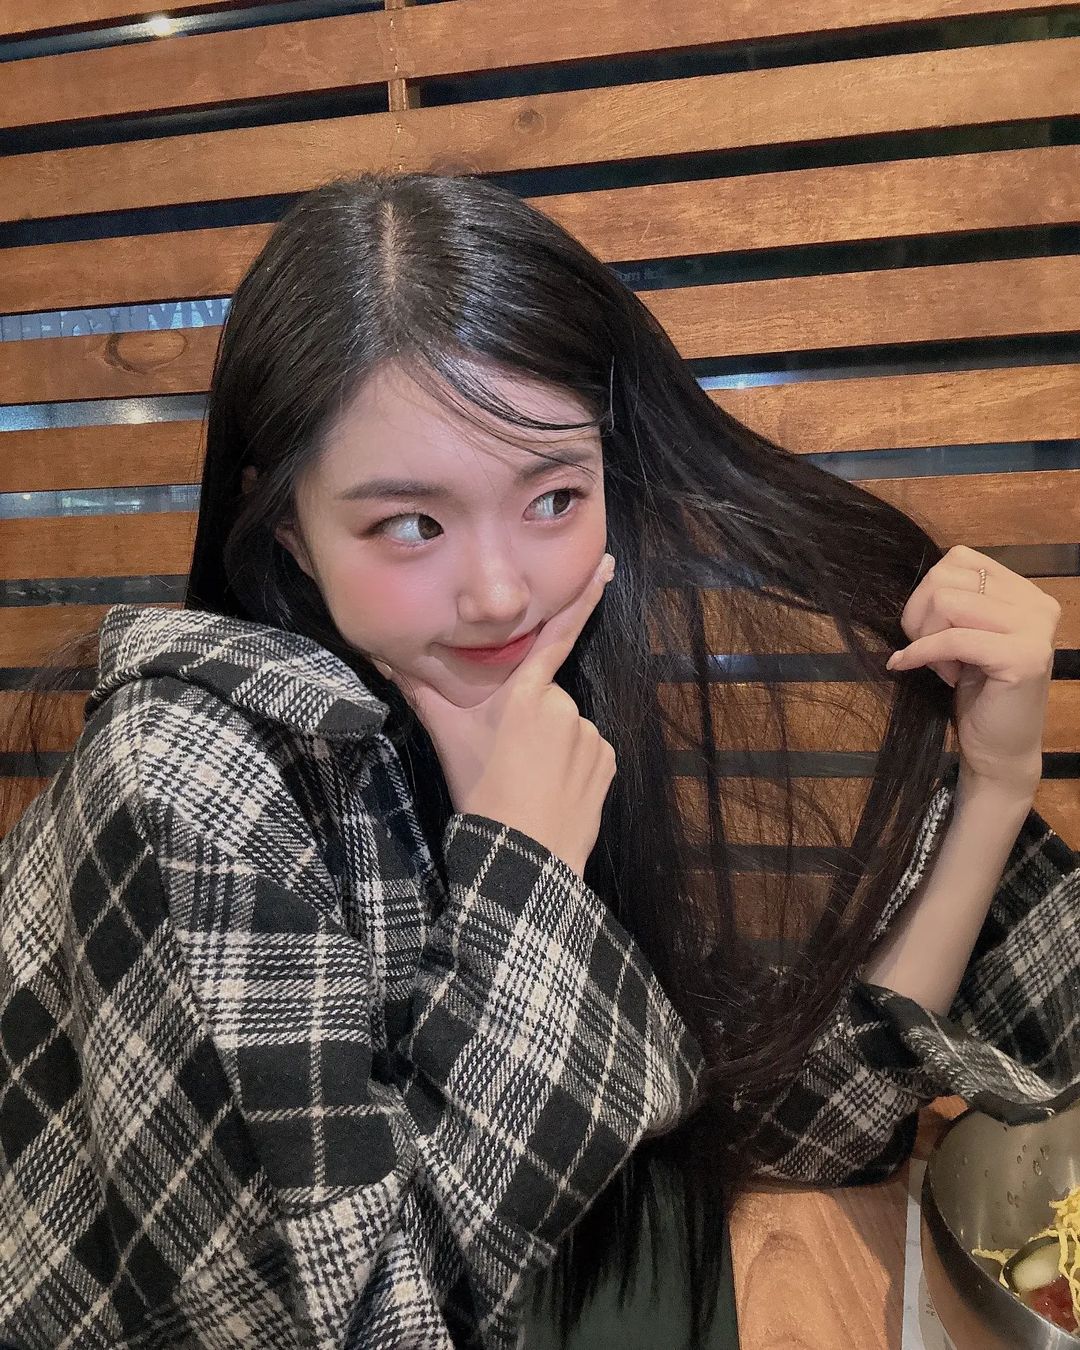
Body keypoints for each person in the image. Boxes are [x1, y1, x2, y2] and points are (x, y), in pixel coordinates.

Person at [1, 170, 1077, 1350]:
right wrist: (523, 876)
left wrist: (995, 786)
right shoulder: (185, 779)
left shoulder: (526, 709)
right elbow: (365, 1328)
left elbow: (798, 1135)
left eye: (555, 497)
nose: (500, 591)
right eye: (410, 523)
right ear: (290, 528)